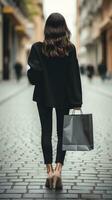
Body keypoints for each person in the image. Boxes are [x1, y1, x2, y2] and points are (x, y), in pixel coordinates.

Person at [27, 12, 82, 190]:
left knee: (46, 133)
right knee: (62, 135)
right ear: (64, 28)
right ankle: (59, 171)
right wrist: (77, 101)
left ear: (47, 29)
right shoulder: (70, 49)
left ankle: (49, 172)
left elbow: (33, 77)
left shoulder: (37, 49)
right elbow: (74, 76)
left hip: (43, 96)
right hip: (64, 97)